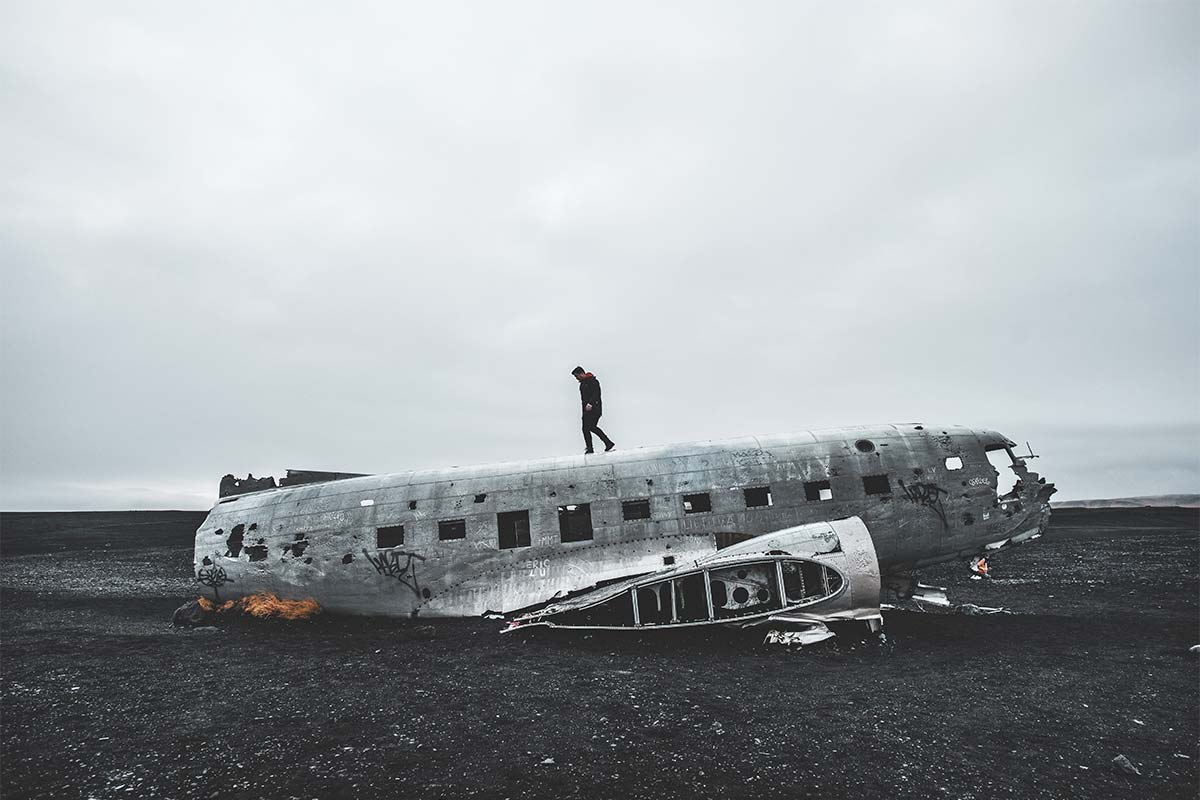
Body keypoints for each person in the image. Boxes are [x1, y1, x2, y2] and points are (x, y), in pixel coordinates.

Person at [572, 365, 615, 454]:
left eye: (577, 376)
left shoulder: (593, 381)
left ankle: (599, 445)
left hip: (595, 409)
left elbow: (596, 394)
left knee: (590, 427)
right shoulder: (582, 384)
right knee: (586, 428)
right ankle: (602, 444)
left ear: (582, 373)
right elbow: (583, 400)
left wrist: (591, 403)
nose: (576, 378)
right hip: (586, 411)